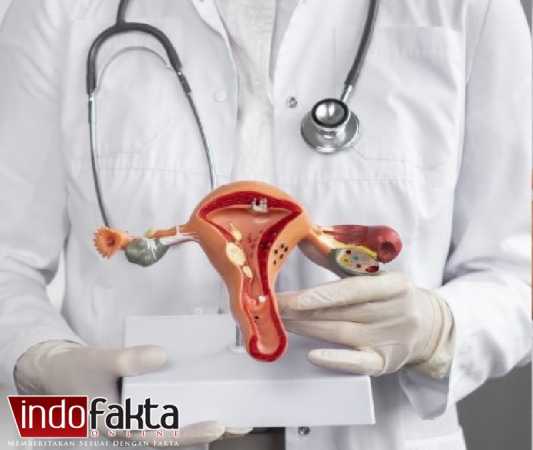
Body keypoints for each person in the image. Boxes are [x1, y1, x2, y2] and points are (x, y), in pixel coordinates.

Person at [0, 0, 530, 449]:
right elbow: (7, 260)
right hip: (121, 433)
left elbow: (518, 272)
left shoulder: (471, 8)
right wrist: (40, 362)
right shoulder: (56, 9)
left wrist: (439, 330)